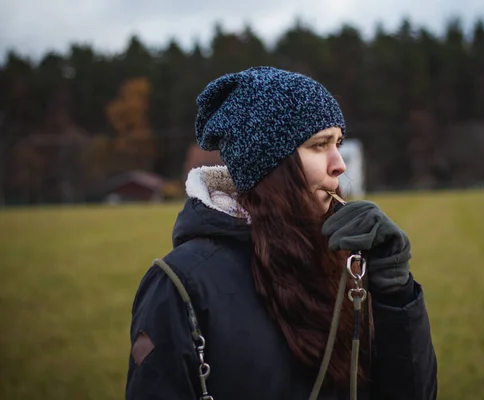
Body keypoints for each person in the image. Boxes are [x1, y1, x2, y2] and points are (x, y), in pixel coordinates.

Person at [125, 66, 437, 400]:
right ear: (268, 163)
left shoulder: (347, 261)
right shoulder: (180, 285)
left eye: (338, 142)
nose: (339, 163)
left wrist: (395, 292)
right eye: (319, 145)